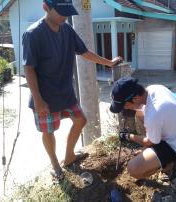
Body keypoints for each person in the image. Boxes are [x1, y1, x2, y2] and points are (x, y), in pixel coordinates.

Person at [22, 0, 122, 180]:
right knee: (48, 131)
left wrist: (109, 63)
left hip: (65, 92)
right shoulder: (33, 34)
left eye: (67, 11)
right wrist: (37, 100)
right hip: (44, 96)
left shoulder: (67, 30)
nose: (65, 16)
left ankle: (69, 156)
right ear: (45, 7)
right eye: (61, 12)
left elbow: (84, 52)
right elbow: (28, 68)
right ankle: (55, 165)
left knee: (80, 120)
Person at [110, 77, 176, 179]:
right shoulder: (154, 88)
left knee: (133, 169)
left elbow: (150, 142)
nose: (125, 108)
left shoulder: (154, 114)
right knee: (139, 112)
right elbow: (144, 112)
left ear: (135, 98)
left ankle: (167, 164)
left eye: (124, 105)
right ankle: (153, 153)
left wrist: (128, 136)